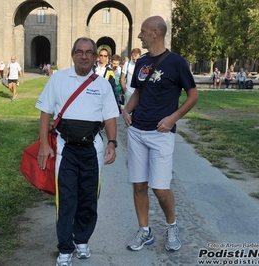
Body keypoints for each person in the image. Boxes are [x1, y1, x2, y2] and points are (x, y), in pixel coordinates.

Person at [35, 37, 119, 266]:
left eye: (89, 52)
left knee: (89, 199)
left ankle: (82, 240)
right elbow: (44, 112)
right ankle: (65, 249)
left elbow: (110, 116)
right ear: (73, 55)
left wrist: (112, 143)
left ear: (94, 57)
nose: (84, 56)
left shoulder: (102, 85)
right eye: (79, 52)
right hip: (65, 149)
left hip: (92, 149)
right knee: (67, 200)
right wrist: (44, 145)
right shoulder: (59, 79)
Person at [122, 16, 199, 252]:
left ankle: (172, 226)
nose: (139, 36)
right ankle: (145, 232)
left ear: (155, 33)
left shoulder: (177, 62)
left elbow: (193, 95)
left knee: (160, 189)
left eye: (142, 31)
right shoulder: (142, 61)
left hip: (160, 134)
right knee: (138, 186)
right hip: (137, 132)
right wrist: (126, 109)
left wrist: (173, 118)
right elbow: (138, 92)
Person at [94, 48, 120, 113]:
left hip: (104, 98)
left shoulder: (110, 71)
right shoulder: (92, 68)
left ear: (107, 57)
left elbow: (112, 88)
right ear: (98, 56)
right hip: (93, 97)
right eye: (101, 55)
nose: (103, 57)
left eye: (105, 56)